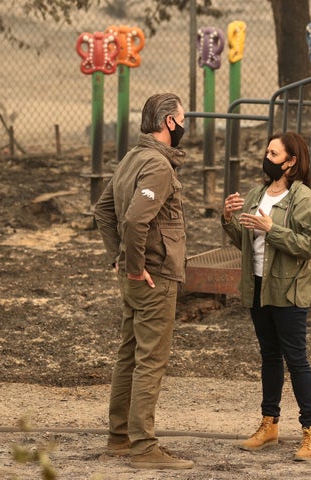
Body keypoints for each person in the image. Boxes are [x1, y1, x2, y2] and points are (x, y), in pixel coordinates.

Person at [94, 92, 193, 470]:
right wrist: (132, 264)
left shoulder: (132, 158)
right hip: (155, 278)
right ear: (170, 122)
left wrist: (118, 258)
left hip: (137, 277)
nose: (185, 125)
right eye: (182, 118)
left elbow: (102, 210)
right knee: (150, 360)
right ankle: (144, 448)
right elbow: (135, 220)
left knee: (128, 355)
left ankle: (119, 437)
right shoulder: (156, 165)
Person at [221, 131, 311, 461]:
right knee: (269, 356)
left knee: (297, 359)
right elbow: (245, 242)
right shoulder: (256, 193)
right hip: (257, 287)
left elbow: (310, 245)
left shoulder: (303, 198)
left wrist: (272, 229)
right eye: (268, 151)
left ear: (291, 162)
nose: (267, 157)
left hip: (288, 290)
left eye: (274, 153)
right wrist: (229, 220)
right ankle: (270, 425)